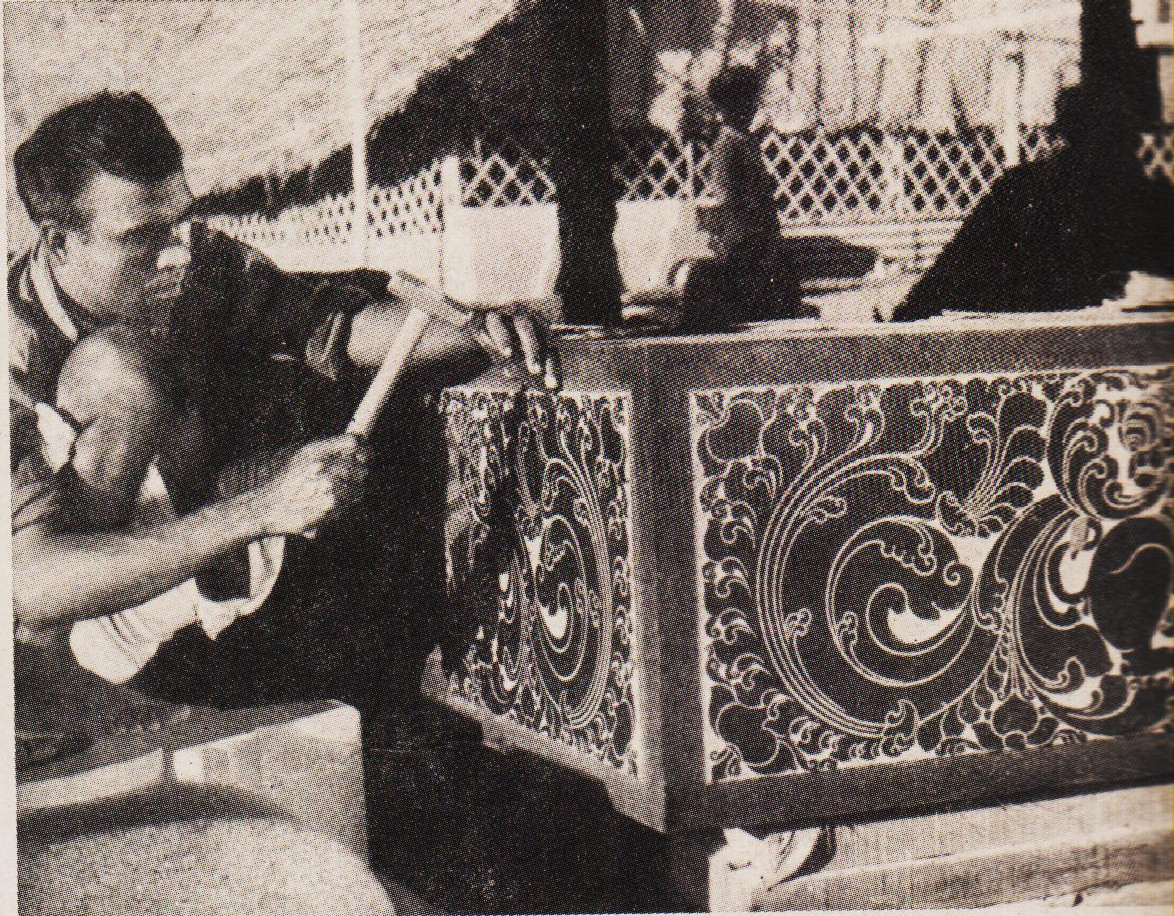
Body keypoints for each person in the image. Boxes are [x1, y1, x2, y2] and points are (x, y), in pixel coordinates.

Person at [10, 91, 555, 757]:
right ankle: (58, 691)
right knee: (116, 368)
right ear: (61, 242)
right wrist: (265, 508)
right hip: (78, 618)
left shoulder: (193, 263)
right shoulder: (11, 356)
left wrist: (473, 328)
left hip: (202, 575)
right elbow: (29, 585)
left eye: (181, 222)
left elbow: (330, 326)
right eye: (140, 239)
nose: (175, 256)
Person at [893, 85, 1174, 321]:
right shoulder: (1025, 186)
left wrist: (905, 318)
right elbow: (958, 264)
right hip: (1045, 331)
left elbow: (952, 268)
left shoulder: (1136, 195)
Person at [687, 65, 803, 328]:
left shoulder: (743, 139)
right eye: (746, 102)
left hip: (759, 233)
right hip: (744, 238)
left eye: (752, 101)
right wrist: (749, 225)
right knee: (754, 307)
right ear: (730, 106)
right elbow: (726, 197)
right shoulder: (727, 143)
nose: (752, 108)